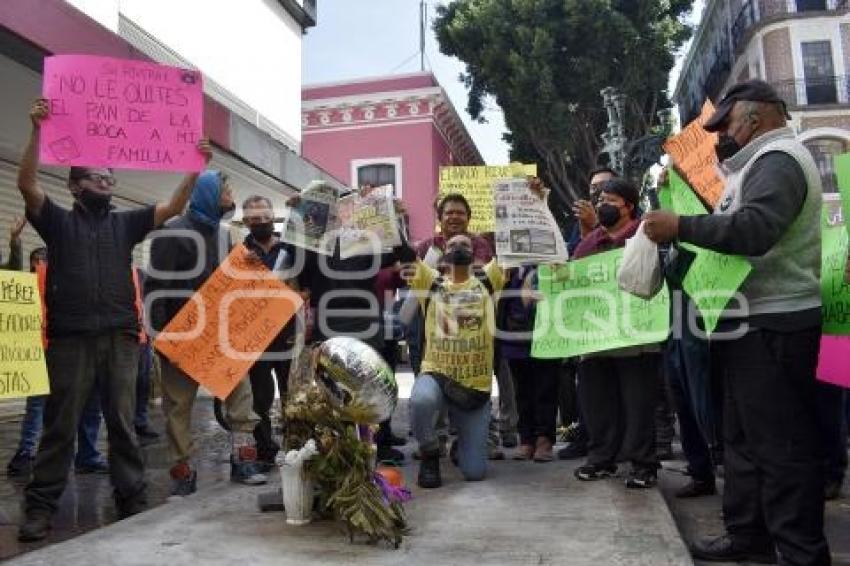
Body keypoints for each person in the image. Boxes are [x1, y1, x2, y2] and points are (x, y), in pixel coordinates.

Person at [644, 79, 830, 564]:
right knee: (743, 441)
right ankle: (748, 535)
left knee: (781, 448)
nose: (722, 135)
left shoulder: (779, 161)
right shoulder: (751, 169)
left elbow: (754, 230)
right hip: (749, 325)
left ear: (757, 115)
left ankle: (801, 553)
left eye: (726, 124)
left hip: (775, 325)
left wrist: (681, 226)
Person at [16, 98, 210, 542]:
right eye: (98, 177)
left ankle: (132, 499)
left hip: (121, 339)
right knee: (60, 426)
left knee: (123, 423)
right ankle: (40, 507)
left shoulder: (127, 223)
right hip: (71, 340)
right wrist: (37, 132)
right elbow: (26, 183)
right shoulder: (57, 222)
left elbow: (174, 206)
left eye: (110, 176)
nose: (108, 181)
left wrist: (195, 166)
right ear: (75, 186)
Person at [146, 171, 267, 495]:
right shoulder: (171, 232)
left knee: (240, 396)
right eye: (226, 188)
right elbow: (155, 286)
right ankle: (182, 471)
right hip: (182, 333)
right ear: (209, 193)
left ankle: (244, 458)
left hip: (219, 333)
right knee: (178, 405)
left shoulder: (226, 235)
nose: (230, 194)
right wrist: (159, 335)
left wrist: (250, 267)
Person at [572, 178, 661, 489]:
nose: (601, 205)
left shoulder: (646, 234)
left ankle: (643, 465)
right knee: (598, 403)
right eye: (600, 200)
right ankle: (601, 460)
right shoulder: (587, 244)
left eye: (610, 200)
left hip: (637, 339)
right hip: (596, 340)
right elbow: (571, 281)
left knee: (638, 403)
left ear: (629, 206)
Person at [407, 234, 506, 488]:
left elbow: (512, 243)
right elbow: (401, 251)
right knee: (420, 400)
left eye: (465, 244)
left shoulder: (489, 279)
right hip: (436, 375)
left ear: (474, 252)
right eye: (452, 244)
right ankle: (430, 452)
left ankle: (461, 446)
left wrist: (538, 199)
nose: (458, 248)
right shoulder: (429, 281)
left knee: (474, 473)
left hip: (473, 388)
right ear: (442, 253)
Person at [6, 248, 108, 478]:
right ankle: (27, 452)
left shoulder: (66, 283)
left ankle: (81, 455)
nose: (35, 267)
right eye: (33, 263)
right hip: (39, 353)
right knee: (38, 404)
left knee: (84, 403)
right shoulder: (24, 287)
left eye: (39, 262)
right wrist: (14, 244)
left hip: (68, 351)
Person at [241, 195, 300, 470]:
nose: (261, 222)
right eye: (255, 219)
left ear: (273, 218)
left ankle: (297, 449)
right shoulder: (239, 253)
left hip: (289, 333)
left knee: (294, 396)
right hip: (256, 338)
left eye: (265, 217)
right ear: (246, 222)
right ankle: (265, 451)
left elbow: (307, 282)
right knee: (259, 398)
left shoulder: (291, 249)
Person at [498, 265, 559, 462]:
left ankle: (544, 439)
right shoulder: (509, 268)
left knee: (546, 389)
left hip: (548, 334)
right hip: (516, 336)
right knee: (521, 392)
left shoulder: (555, 263)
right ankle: (526, 439)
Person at [132, 267, 159, 445]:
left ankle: (140, 422)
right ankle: (127, 426)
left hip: (143, 338)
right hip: (125, 337)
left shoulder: (140, 274)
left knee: (143, 383)